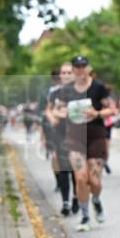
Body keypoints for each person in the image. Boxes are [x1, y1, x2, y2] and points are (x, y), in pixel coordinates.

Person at [54, 55, 113, 231]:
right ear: (73, 69)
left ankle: (96, 200)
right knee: (80, 177)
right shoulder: (66, 90)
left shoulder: (98, 87)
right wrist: (63, 113)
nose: (80, 69)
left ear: (88, 67)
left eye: (83, 66)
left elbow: (111, 109)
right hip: (74, 137)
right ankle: (85, 216)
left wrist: (97, 113)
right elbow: (56, 111)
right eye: (77, 67)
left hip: (95, 136)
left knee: (94, 181)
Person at [45, 64, 78, 215]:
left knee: (75, 169)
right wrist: (53, 117)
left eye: (68, 72)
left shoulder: (80, 91)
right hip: (60, 134)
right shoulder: (55, 93)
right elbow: (48, 110)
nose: (65, 75)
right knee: (64, 168)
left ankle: (77, 197)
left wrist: (64, 114)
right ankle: (65, 202)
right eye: (63, 72)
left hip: (77, 135)